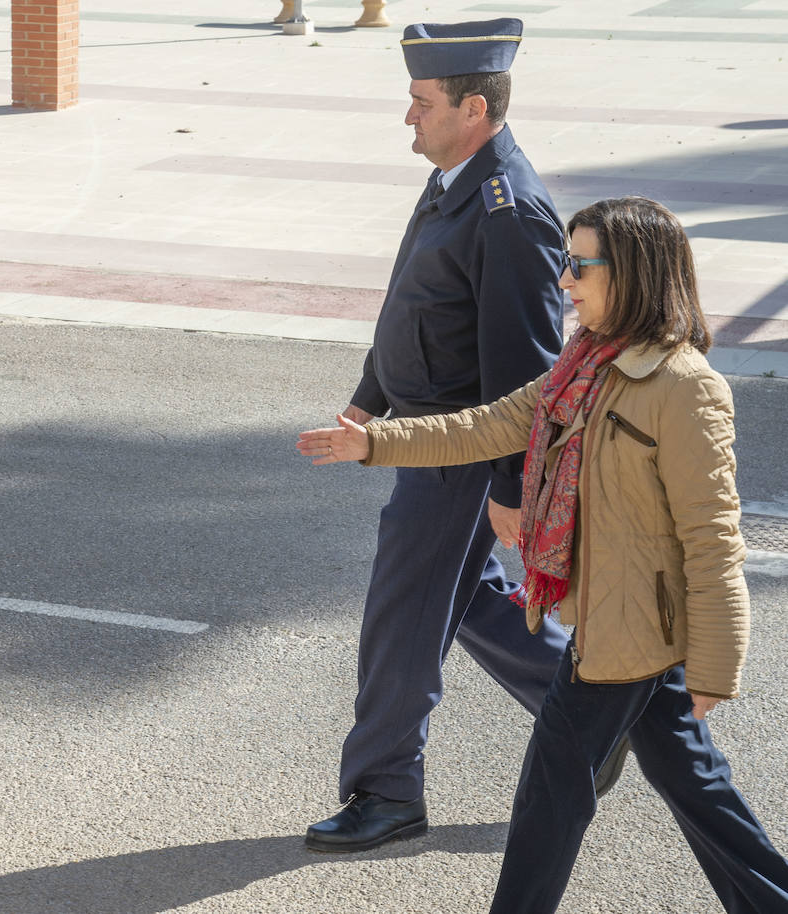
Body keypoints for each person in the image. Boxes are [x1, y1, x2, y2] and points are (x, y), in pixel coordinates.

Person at [298, 195, 788, 912]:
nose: (565, 280)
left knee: (549, 802)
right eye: (567, 262)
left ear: (632, 274)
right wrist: (374, 442)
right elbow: (486, 425)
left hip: (627, 638)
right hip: (611, 621)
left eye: (580, 265)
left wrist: (718, 664)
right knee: (697, 788)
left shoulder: (686, 389)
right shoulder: (583, 365)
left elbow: (713, 540)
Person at [300, 18, 629, 854]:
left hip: (459, 459)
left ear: (473, 107)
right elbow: (411, 303)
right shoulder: (455, 177)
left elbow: (527, 379)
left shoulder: (510, 213)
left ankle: (385, 792)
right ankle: (599, 717)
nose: (408, 117)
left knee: (400, 619)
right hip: (421, 435)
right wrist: (368, 402)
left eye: (421, 102)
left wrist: (510, 493)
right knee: (475, 603)